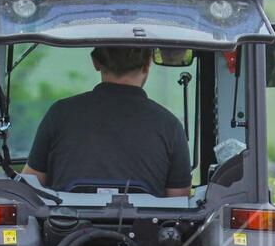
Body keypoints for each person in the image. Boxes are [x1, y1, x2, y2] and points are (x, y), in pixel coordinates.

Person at [22, 47, 192, 196]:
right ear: (148, 63)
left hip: (65, 230)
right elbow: (179, 201)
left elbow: (29, 185)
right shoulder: (170, 126)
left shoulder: (59, 113)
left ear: (96, 62)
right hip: (147, 232)